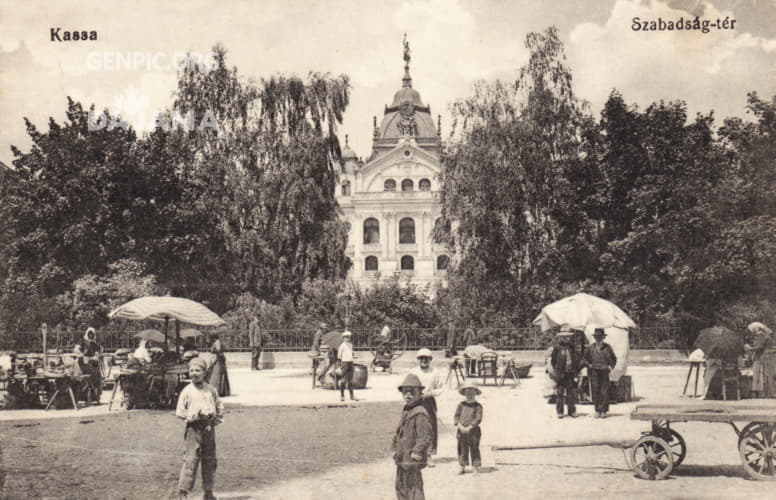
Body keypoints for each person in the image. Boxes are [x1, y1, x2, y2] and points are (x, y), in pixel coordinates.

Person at [175, 357, 223, 500]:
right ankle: (183, 492)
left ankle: (208, 491)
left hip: (208, 428)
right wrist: (191, 416)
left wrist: (213, 417)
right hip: (193, 429)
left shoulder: (211, 390)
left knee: (210, 460)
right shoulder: (187, 391)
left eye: (198, 370)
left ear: (205, 372)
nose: (194, 373)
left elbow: (220, 408)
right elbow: (179, 412)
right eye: (191, 370)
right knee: (191, 460)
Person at [393, 373, 433, 500]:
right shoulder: (407, 409)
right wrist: (394, 448)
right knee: (401, 486)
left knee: (414, 488)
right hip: (402, 456)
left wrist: (417, 451)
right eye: (405, 392)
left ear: (419, 393)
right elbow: (399, 431)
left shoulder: (420, 412)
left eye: (412, 392)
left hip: (412, 458)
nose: (408, 395)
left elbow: (425, 436)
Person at [409, 348, 444, 466]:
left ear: (430, 360)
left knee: (430, 427)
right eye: (421, 358)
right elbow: (407, 386)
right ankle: (416, 453)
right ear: (418, 359)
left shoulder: (434, 372)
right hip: (415, 401)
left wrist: (430, 393)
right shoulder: (413, 371)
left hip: (429, 401)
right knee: (415, 426)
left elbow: (440, 387)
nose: (424, 360)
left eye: (426, 358)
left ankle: (429, 455)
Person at [586, 328, 617, 418]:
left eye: (600, 337)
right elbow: (585, 359)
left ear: (603, 338)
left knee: (605, 391)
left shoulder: (607, 347)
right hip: (594, 371)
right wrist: (589, 365)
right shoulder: (591, 348)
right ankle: (597, 410)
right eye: (597, 337)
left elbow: (614, 358)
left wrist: (610, 366)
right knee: (596, 390)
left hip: (604, 371)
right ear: (595, 338)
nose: (598, 339)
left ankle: (604, 410)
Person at [550, 330, 582, 418]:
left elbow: (576, 359)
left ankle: (571, 411)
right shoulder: (557, 347)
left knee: (571, 393)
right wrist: (557, 370)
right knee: (560, 393)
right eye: (563, 337)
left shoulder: (572, 347)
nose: (566, 338)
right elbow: (553, 361)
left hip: (570, 373)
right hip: (561, 374)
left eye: (567, 336)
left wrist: (576, 371)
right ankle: (560, 412)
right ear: (560, 337)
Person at [454, 382, 483, 475]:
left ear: (475, 393)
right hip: (461, 431)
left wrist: (470, 427)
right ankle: (462, 466)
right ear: (464, 394)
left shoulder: (478, 406)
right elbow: (456, 416)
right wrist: (460, 426)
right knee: (462, 449)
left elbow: (478, 418)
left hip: (473, 432)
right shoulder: (461, 405)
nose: (470, 395)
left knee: (474, 448)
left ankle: (475, 467)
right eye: (467, 393)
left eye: (472, 393)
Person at [746, 322, 775, 398]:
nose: (752, 333)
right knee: (767, 375)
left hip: (763, 358)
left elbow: (760, 347)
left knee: (762, 375)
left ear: (756, 329)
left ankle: (764, 393)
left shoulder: (761, 335)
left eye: (752, 330)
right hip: (767, 357)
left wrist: (750, 348)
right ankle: (769, 393)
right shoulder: (764, 335)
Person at [337, 330, 357, 402]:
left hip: (350, 363)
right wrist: (339, 366)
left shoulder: (350, 345)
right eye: (345, 337)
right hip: (344, 363)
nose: (347, 338)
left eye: (348, 337)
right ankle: (342, 396)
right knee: (343, 380)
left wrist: (353, 354)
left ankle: (352, 396)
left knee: (350, 380)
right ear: (343, 338)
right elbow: (339, 356)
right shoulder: (342, 346)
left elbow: (351, 353)